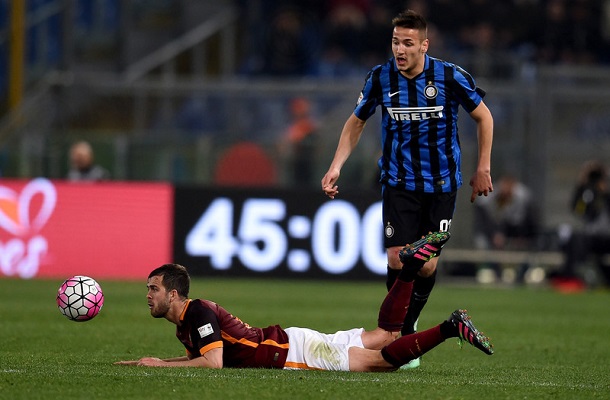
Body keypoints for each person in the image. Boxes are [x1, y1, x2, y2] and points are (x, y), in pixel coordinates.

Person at [320, 9, 494, 368]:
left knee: (426, 266)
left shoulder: (449, 76)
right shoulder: (380, 78)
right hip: (399, 183)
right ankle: (399, 333)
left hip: (441, 186)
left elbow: (484, 116)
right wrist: (336, 166)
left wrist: (483, 167)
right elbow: (356, 122)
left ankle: (407, 325)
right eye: (396, 42)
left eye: (408, 43)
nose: (400, 50)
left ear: (424, 45)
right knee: (397, 258)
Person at [115, 232, 494, 371]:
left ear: (174, 294)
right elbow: (203, 357)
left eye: (153, 289)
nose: (148, 295)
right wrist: (154, 362)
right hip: (291, 341)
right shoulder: (188, 321)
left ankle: (449, 327)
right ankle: (409, 270)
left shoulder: (197, 311)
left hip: (293, 354)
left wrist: (161, 368)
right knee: (386, 334)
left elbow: (212, 363)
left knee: (382, 361)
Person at [557, 160, 610, 287]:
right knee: (574, 239)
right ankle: (571, 276)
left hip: (606, 237)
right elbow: (578, 210)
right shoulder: (589, 193)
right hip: (592, 237)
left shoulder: (606, 194)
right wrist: (581, 184)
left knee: (580, 240)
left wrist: (605, 189)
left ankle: (575, 275)